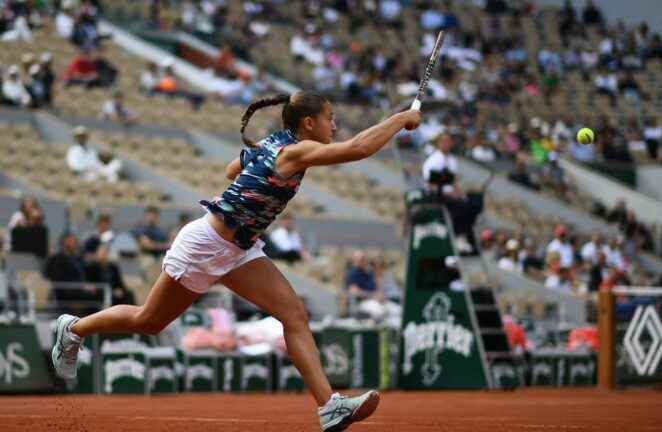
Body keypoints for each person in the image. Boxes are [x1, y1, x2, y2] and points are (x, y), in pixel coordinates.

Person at [51, 91, 421, 430]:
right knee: (149, 321)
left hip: (239, 250)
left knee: (294, 315)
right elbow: (358, 148)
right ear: (308, 124)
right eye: (330, 118)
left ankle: (329, 406)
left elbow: (232, 170)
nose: (334, 125)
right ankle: (74, 329)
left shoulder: (274, 144)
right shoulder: (292, 152)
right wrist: (399, 119)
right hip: (205, 244)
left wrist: (254, 173)